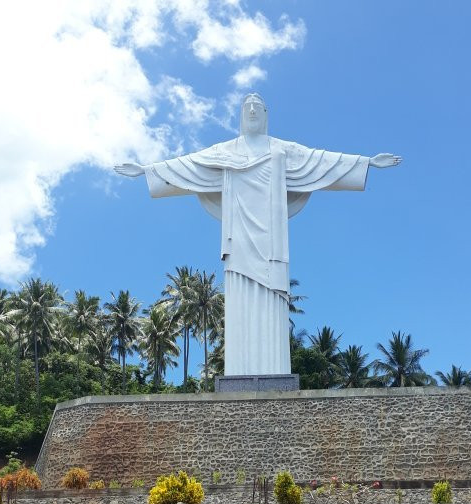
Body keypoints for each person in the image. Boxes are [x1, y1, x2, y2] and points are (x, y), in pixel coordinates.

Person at [115, 93, 401, 377]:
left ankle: (275, 374)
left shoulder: (281, 150)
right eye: (247, 107)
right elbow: (188, 165)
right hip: (238, 240)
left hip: (272, 244)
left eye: (257, 107)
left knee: (272, 306)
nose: (252, 110)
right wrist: (146, 171)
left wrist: (366, 163)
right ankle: (237, 375)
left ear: (266, 114)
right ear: (241, 114)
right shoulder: (224, 152)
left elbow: (321, 161)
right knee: (239, 302)